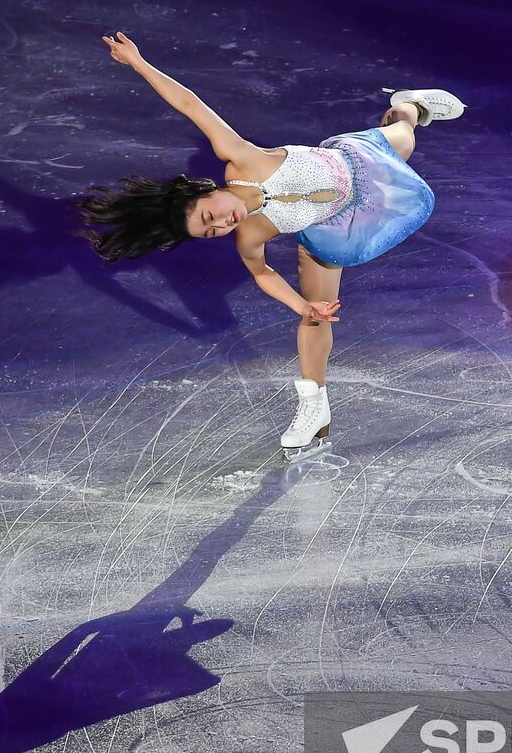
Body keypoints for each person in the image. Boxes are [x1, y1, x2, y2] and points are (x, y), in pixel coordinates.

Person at [70, 32, 465, 461]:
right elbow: (261, 272)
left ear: (203, 190)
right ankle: (313, 405)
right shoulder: (250, 235)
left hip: (360, 164)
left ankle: (410, 102)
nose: (222, 224)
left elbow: (189, 105)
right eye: (210, 233)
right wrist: (301, 307)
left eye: (209, 215)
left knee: (403, 128)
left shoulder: (242, 158)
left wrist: (139, 64)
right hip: (331, 228)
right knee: (317, 314)